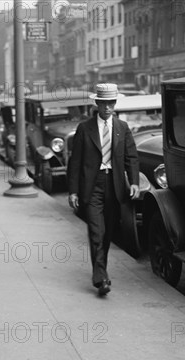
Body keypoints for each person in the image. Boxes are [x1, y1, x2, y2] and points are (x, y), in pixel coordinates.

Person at [67, 83, 140, 297]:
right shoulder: (85, 128)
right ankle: (100, 279)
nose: (108, 107)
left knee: (108, 232)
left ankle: (101, 269)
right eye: (104, 103)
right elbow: (75, 162)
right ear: (97, 104)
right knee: (96, 232)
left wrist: (134, 182)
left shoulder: (122, 128)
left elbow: (131, 158)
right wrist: (73, 191)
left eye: (111, 103)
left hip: (115, 185)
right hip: (92, 186)